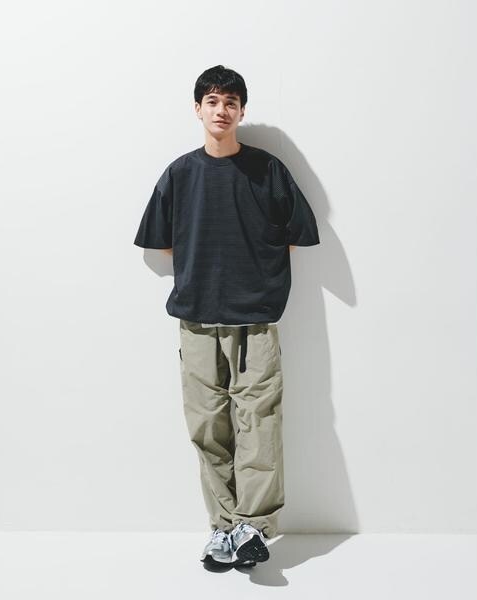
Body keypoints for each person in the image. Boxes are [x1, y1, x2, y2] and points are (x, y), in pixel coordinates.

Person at [134, 65, 320, 569]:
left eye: (231, 102)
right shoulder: (180, 174)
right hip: (196, 317)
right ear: (198, 109)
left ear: (242, 111)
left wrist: (256, 271)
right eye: (213, 101)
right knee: (209, 428)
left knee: (259, 423)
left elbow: (297, 234)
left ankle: (250, 528)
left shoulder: (267, 170)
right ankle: (223, 528)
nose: (222, 110)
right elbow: (160, 245)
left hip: (255, 319)